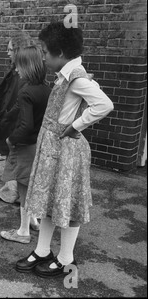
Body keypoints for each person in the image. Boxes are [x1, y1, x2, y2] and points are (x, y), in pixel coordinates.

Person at [16, 22, 114, 278]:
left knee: (68, 203)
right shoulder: (66, 75)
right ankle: (42, 250)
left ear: (59, 52)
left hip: (67, 151)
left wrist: (75, 126)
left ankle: (65, 258)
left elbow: (104, 105)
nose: (43, 57)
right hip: (52, 148)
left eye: (45, 52)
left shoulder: (76, 78)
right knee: (49, 201)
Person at [0, 45, 51, 244]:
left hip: (26, 145)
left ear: (28, 67)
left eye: (19, 66)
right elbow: (19, 109)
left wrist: (11, 139)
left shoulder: (26, 91)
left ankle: (22, 232)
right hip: (39, 144)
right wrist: (5, 117)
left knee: (23, 187)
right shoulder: (46, 89)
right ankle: (33, 221)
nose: (16, 69)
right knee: (31, 185)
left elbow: (26, 125)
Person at [0, 31, 36, 204]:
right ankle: (10, 191)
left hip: (17, 123)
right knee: (12, 159)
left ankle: (15, 194)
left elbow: (15, 101)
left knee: (17, 160)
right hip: (11, 121)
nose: (7, 53)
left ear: (18, 50)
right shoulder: (18, 71)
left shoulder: (22, 75)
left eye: (10, 49)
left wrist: (5, 119)